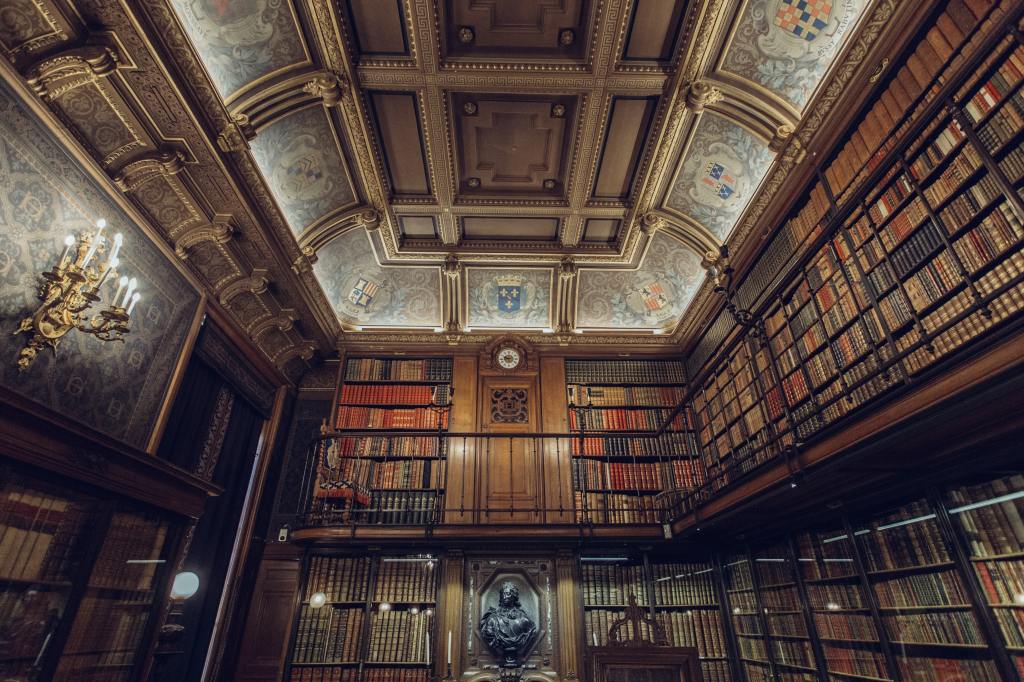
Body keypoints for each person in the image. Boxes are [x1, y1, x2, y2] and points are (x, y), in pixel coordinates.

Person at [478, 581, 538, 667]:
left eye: (508, 594)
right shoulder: (492, 619)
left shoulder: (523, 619)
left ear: (514, 596)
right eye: (503, 593)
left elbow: (532, 631)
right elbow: (488, 633)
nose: (505, 596)